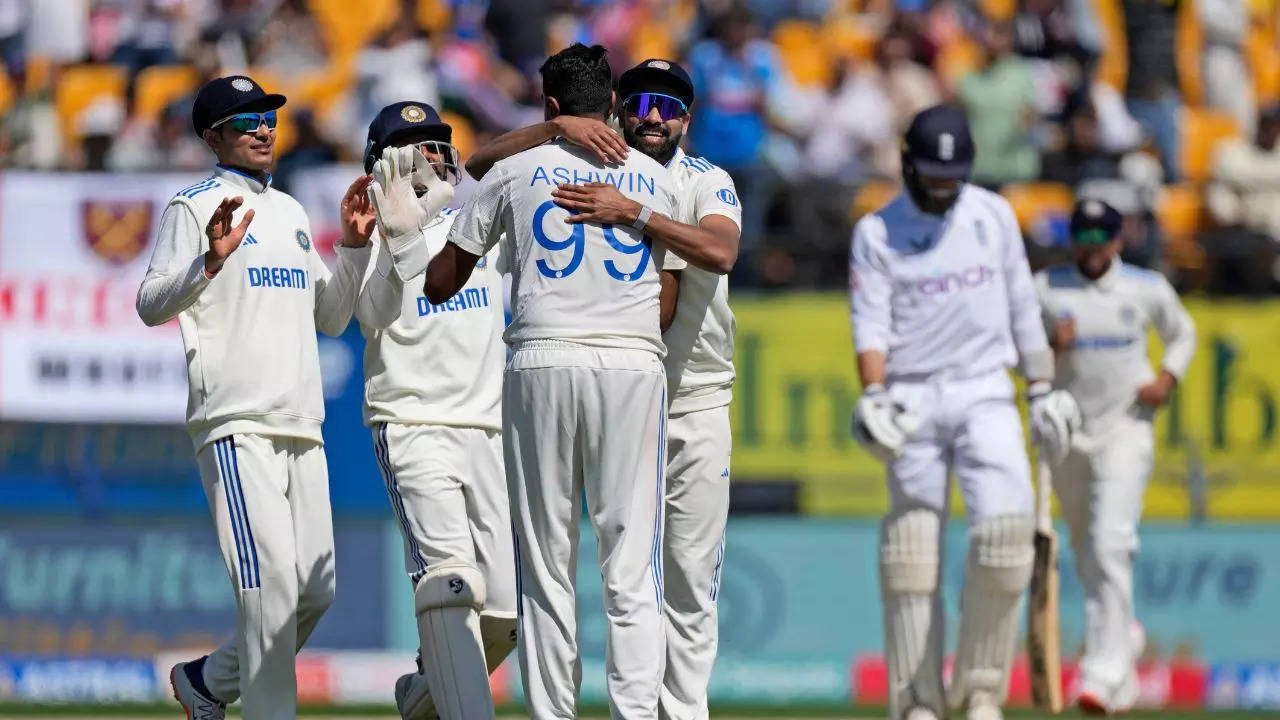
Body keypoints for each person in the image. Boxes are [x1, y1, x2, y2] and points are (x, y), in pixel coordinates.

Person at [391, 43, 683, 719]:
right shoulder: (655, 180)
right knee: (631, 561)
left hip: (543, 361)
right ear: (612, 104)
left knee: (547, 562)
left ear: (549, 106)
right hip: (632, 362)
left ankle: (554, 713)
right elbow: (665, 307)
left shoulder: (514, 172)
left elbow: (441, 284)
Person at [464, 56, 743, 719]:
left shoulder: (706, 179)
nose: (652, 116)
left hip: (693, 398)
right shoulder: (579, 160)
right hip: (622, 388)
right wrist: (557, 131)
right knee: (608, 565)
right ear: (617, 104)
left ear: (687, 118)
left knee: (687, 578)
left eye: (668, 106)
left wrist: (634, 211)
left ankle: (684, 711)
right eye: (641, 101)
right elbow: (479, 164)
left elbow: (721, 252)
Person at [136, 75, 372, 720]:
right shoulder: (193, 206)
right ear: (213, 136)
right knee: (269, 591)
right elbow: (149, 304)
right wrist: (207, 264)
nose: (264, 129)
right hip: (236, 419)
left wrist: (351, 248)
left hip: (303, 422)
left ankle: (211, 682)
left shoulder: (292, 211)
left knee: (314, 591)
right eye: (246, 121)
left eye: (268, 117)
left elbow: (330, 316)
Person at [847, 105, 1078, 720]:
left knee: (1006, 539)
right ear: (906, 164)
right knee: (912, 552)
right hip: (912, 395)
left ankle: (979, 692)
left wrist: (1043, 388)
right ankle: (917, 700)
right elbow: (869, 324)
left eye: (955, 177)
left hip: (985, 388)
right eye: (934, 178)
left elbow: (1023, 304)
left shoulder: (992, 214)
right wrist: (874, 394)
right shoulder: (876, 232)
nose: (945, 190)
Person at [352, 101, 516, 720]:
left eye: (437, 145)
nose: (430, 157)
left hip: (487, 429)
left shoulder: (477, 226)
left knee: (501, 616)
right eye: (413, 147)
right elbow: (371, 314)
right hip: (414, 425)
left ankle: (420, 698)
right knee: (450, 587)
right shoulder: (368, 235)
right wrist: (397, 237)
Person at [1034, 199, 1195, 716]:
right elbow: (1014, 352)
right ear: (1072, 241)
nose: (1093, 250)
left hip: (1127, 427)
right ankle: (1123, 637)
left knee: (1110, 544)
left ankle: (1101, 676)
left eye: (1102, 240)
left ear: (1118, 241)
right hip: (1070, 434)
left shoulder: (1145, 287)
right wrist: (1045, 344)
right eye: (1084, 240)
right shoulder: (1047, 287)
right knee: (1085, 548)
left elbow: (1183, 333)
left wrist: (1167, 378)